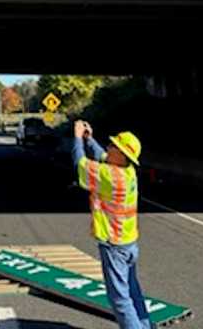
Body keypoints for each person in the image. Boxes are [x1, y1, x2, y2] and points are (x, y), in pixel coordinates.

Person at [72, 120, 151, 329]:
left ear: (122, 154)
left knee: (119, 299)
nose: (108, 147)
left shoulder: (110, 176)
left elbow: (80, 163)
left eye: (113, 146)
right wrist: (90, 139)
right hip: (129, 242)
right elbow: (101, 156)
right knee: (133, 292)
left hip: (114, 244)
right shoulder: (128, 171)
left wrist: (78, 137)